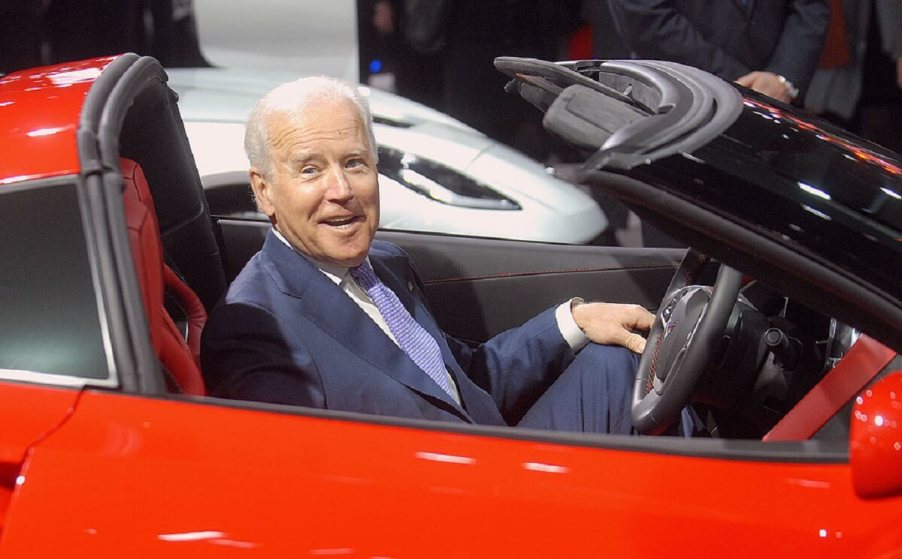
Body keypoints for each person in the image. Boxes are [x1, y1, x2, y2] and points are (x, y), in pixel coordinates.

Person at [201, 76, 655, 433]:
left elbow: (463, 386)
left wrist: (575, 322)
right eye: (310, 170)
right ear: (264, 192)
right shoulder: (254, 328)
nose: (340, 191)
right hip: (441, 512)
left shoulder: (384, 266)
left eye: (354, 163)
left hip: (490, 461)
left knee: (614, 361)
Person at [607, 0, 830, 103]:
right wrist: (739, 84)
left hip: (772, 106)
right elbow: (642, 14)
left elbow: (810, 7)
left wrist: (782, 77)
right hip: (672, 98)